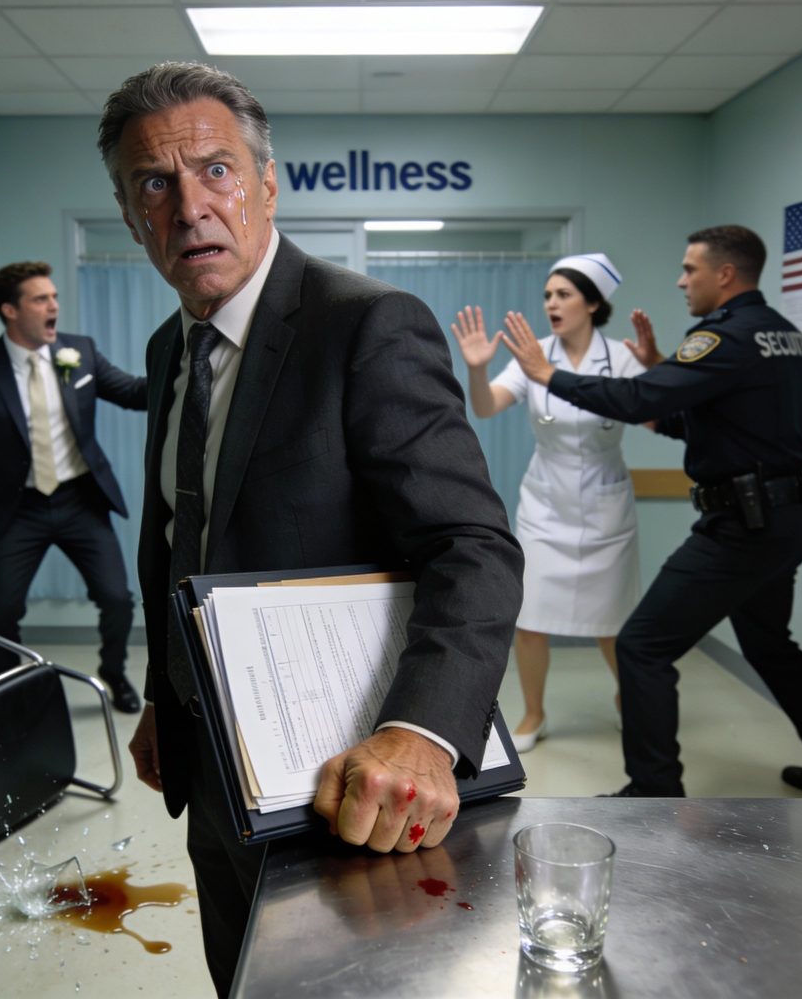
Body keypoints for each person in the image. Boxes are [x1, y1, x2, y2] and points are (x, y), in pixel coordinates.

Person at [96, 61, 522, 996]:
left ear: (266, 184)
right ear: (130, 215)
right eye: (154, 185)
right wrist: (169, 696)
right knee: (239, 977)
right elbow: (178, 538)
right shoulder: (170, 348)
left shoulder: (365, 325)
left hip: (351, 775)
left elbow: (471, 548)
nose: (190, 208)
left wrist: (419, 734)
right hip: (215, 766)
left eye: (215, 170)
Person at [506, 224, 802, 798]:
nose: (681, 280)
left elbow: (636, 399)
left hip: (742, 526)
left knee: (642, 645)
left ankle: (654, 791)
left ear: (725, 274)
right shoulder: (784, 334)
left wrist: (549, 375)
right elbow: (697, 421)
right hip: (786, 518)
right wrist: (660, 368)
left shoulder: (726, 337)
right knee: (770, 643)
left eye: (690, 269)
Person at [0, 261, 148, 713]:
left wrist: (188, 367)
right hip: (17, 508)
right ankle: (12, 690)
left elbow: (134, 393)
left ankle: (114, 672)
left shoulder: (79, 352)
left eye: (54, 297)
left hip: (81, 501)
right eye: (41, 299)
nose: (53, 306)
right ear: (10, 310)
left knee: (118, 600)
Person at [452, 255, 646, 752]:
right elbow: (486, 406)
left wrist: (657, 367)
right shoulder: (533, 353)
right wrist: (477, 368)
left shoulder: (622, 357)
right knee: (531, 619)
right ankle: (534, 713)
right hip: (545, 506)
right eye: (547, 295)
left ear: (593, 303)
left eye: (564, 295)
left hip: (607, 506)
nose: (551, 304)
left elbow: (653, 414)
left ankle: (629, 698)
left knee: (613, 622)